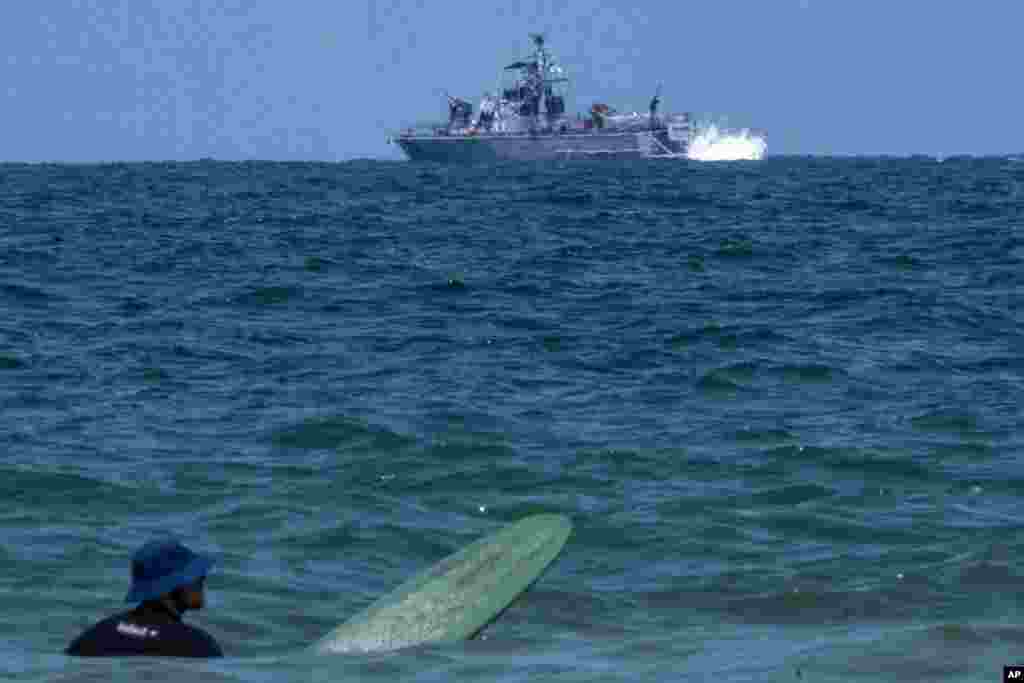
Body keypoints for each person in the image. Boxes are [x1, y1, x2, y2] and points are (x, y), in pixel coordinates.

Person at [66, 538, 223, 658]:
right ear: (165, 588)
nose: (202, 578)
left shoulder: (95, 635)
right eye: (194, 576)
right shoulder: (197, 645)